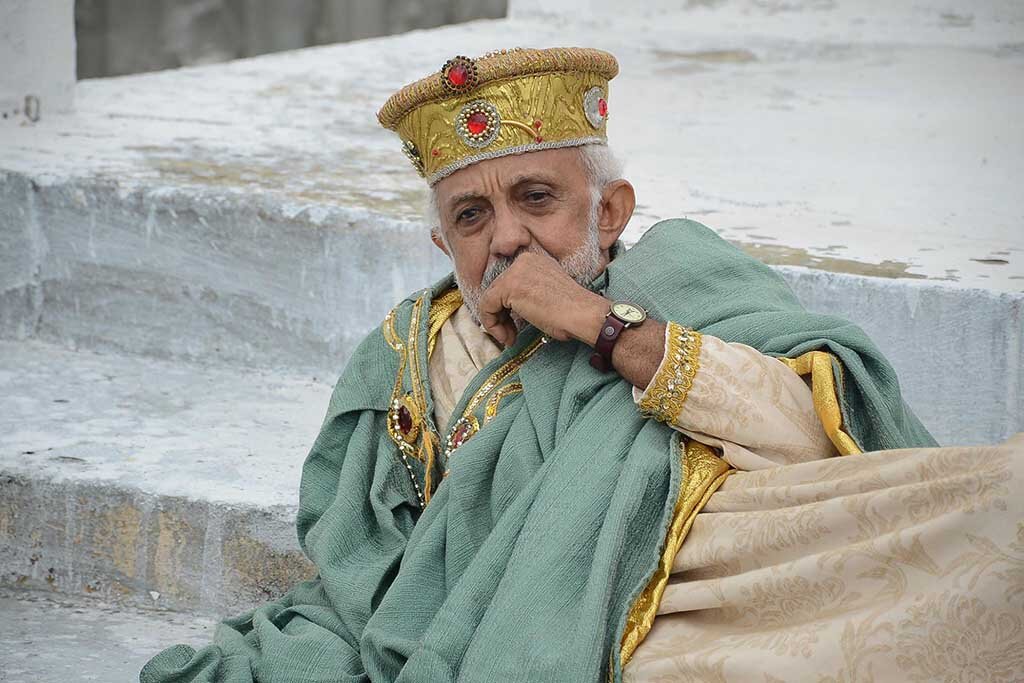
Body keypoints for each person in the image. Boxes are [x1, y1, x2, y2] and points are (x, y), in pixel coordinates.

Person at [142, 47, 1024, 683]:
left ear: (609, 213)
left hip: (755, 538)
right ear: (441, 240)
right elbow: (371, 577)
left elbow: (817, 437)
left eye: (536, 198)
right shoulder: (406, 360)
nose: (509, 236)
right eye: (471, 217)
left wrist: (604, 327)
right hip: (584, 622)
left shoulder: (684, 275)